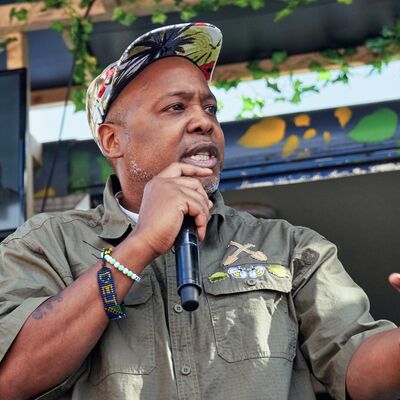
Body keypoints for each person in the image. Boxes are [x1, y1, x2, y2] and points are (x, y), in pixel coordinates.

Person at [0, 22, 399, 400]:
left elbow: (358, 371)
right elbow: (12, 380)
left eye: (210, 109)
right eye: (176, 107)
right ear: (112, 139)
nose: (202, 122)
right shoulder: (47, 244)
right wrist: (140, 245)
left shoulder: (290, 248)